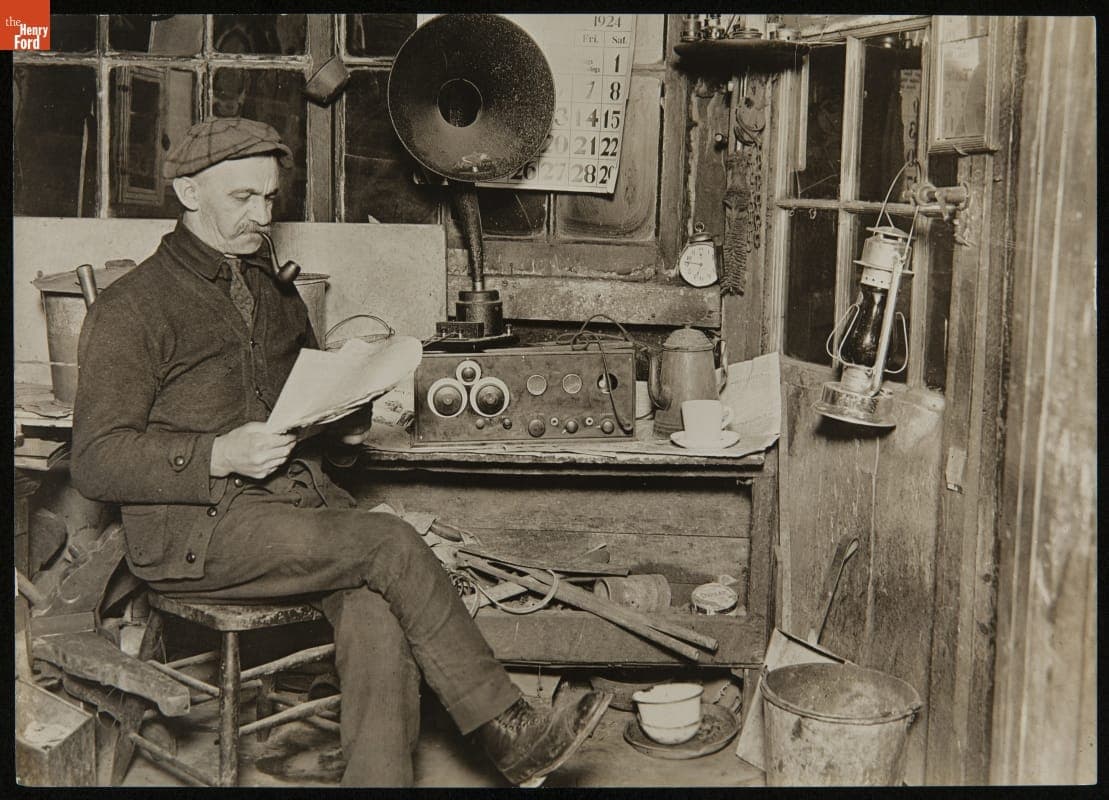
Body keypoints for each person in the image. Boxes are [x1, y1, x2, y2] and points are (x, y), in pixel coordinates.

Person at [71, 117, 610, 787]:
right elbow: (95, 461)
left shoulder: (273, 292)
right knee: (387, 545)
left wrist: (347, 424)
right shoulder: (132, 307)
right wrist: (217, 453)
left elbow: (301, 405)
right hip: (196, 533)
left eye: (269, 199)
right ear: (187, 191)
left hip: (292, 511)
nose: (261, 216)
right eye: (241, 198)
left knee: (376, 608)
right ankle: (505, 728)